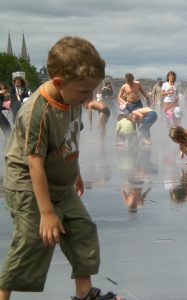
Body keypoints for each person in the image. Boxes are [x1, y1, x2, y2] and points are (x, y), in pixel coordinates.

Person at [0, 36, 122, 300]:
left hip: (60, 181)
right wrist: (46, 212)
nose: (90, 97)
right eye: (84, 91)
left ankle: (84, 293)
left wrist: (75, 173)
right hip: (27, 185)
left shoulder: (73, 100)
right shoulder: (38, 112)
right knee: (33, 239)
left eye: (92, 91)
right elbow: (34, 164)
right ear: (58, 82)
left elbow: (69, 139)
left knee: (82, 229)